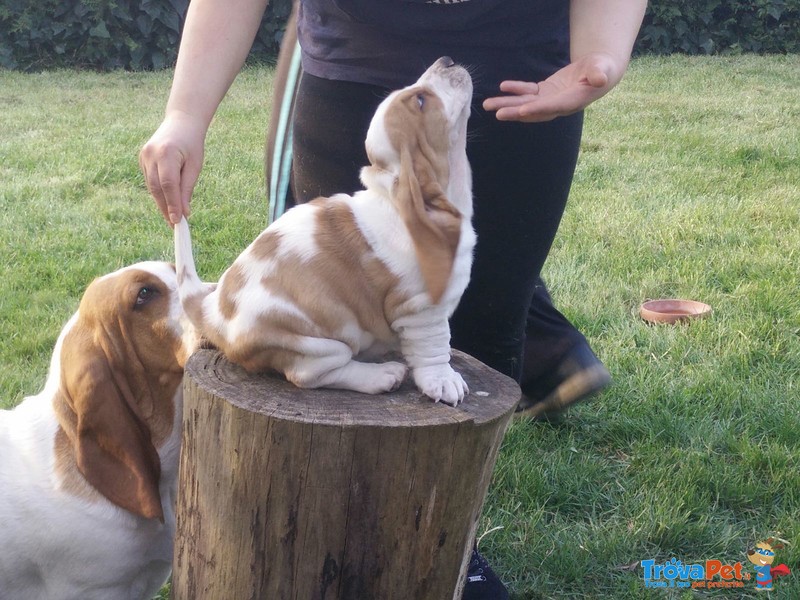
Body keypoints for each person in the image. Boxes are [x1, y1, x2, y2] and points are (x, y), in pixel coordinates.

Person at [140, 1, 647, 597]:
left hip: (524, 73)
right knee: (335, 325)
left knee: (484, 330)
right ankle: (322, 538)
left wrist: (602, 53)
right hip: (352, 69)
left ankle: (452, 543)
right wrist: (184, 114)